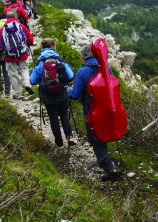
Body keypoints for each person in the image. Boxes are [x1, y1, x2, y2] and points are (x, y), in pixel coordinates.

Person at [68, 45, 120, 182]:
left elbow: (75, 95)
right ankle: (107, 161)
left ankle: (109, 169)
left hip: (91, 112)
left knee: (95, 139)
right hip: (108, 110)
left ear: (84, 58)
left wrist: (67, 90)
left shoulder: (82, 72)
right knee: (103, 135)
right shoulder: (106, 69)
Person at [29, 38, 75, 148]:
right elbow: (70, 76)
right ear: (53, 46)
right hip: (61, 93)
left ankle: (58, 141)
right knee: (64, 115)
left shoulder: (39, 62)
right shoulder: (59, 59)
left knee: (53, 117)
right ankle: (69, 137)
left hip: (47, 95)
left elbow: (33, 81)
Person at [0, 11, 34, 99]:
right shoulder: (21, 26)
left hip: (9, 56)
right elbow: (31, 40)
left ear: (6, 18)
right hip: (22, 54)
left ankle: (17, 93)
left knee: (12, 74)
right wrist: (27, 44)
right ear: (15, 17)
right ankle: (27, 83)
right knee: (24, 69)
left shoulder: (2, 30)